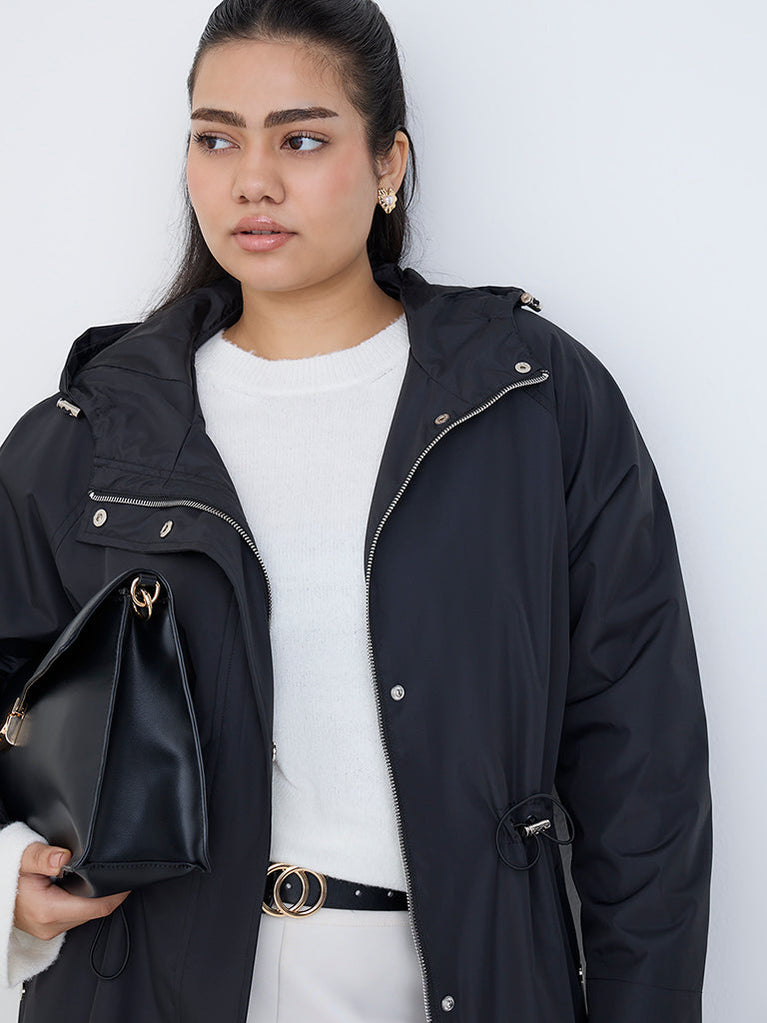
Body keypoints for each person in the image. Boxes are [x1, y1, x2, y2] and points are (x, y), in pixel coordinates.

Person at [0, 0, 712, 1021]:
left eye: (300, 139)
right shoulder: (95, 427)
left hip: (455, 981)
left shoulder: (531, 400)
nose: (252, 180)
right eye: (215, 139)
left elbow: (642, 766)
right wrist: (10, 873)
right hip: (151, 981)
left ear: (388, 164)